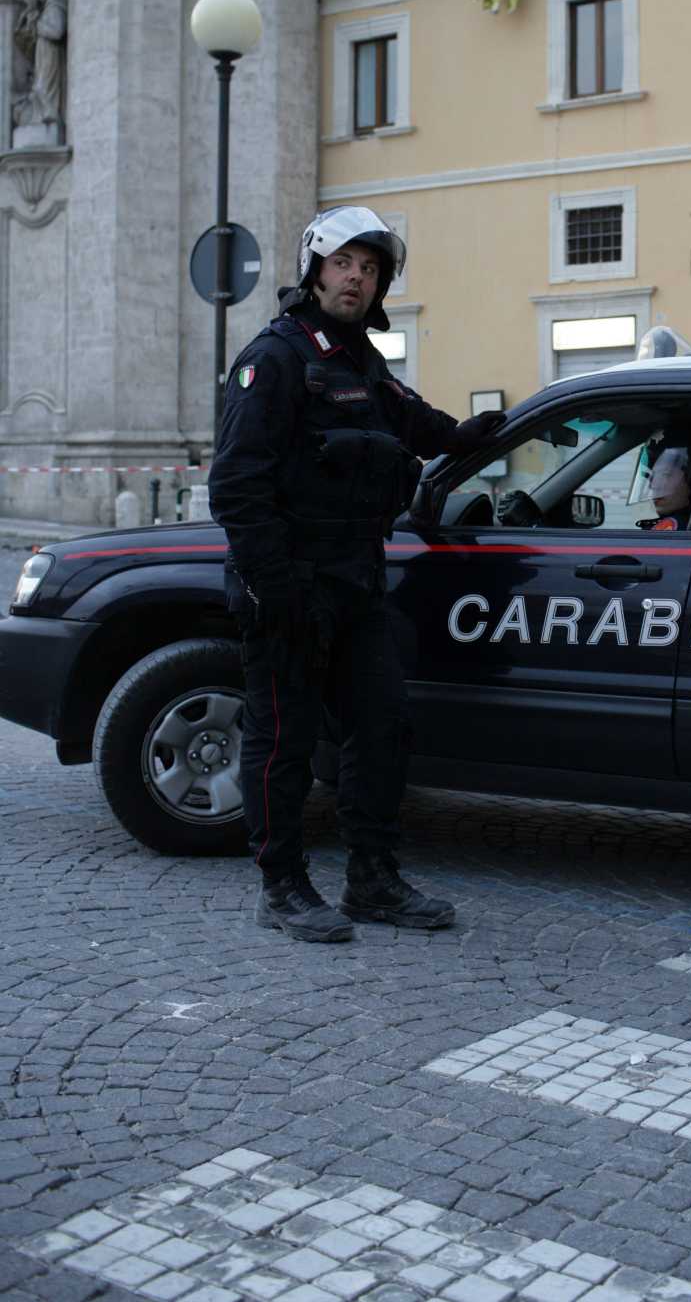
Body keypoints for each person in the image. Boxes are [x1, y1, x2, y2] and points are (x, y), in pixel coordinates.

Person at [209, 206, 504, 944]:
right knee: (284, 739)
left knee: (383, 725)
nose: (358, 278)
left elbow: (414, 421)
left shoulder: (361, 362)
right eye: (345, 263)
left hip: (354, 583)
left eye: (371, 270)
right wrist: (273, 588)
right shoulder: (273, 359)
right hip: (289, 587)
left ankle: (372, 879)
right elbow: (236, 485)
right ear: (316, 269)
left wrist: (475, 435)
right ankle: (282, 887)